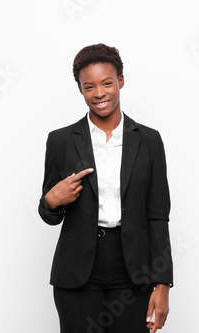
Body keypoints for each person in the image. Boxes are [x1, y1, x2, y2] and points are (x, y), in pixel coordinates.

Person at [38, 43, 173, 333]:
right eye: (89, 87)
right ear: (80, 89)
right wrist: (52, 200)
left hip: (133, 269)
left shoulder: (149, 141)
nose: (99, 93)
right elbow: (49, 213)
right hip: (77, 271)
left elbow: (158, 216)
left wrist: (163, 285)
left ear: (121, 80)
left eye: (107, 83)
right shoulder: (61, 141)